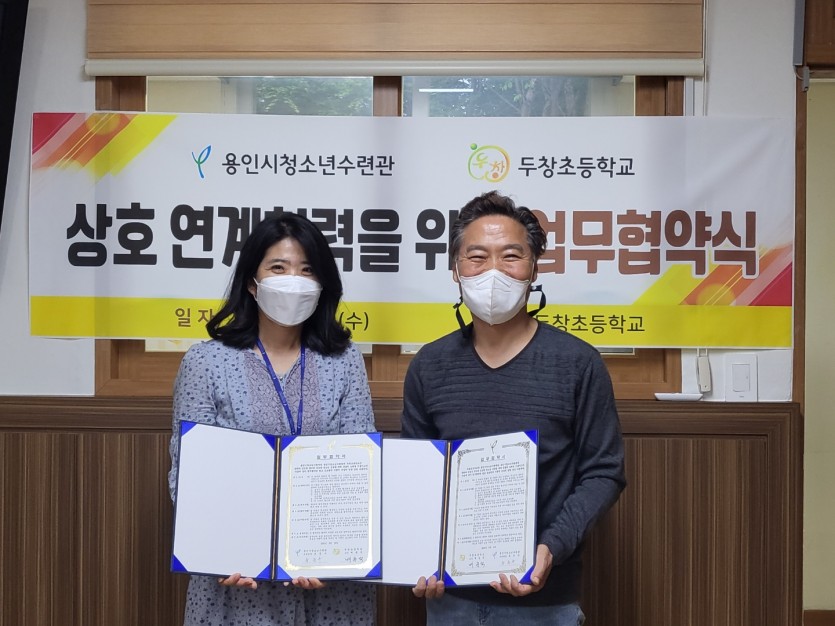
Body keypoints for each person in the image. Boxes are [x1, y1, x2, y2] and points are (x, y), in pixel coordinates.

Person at [401, 191, 626, 625]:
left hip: (546, 600)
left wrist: (552, 548)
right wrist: (415, 555)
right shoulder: (429, 365)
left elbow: (604, 472)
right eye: (476, 257)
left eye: (510, 256)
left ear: (534, 268)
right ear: (455, 270)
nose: (493, 271)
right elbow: (415, 475)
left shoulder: (578, 363)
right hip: (449, 599)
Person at [168, 212, 376, 626]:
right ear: (252, 281)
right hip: (236, 582)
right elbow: (188, 475)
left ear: (322, 284)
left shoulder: (344, 360)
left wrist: (334, 556)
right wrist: (215, 550)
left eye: (307, 270)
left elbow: (360, 468)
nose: (293, 280)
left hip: (329, 584)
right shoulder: (206, 361)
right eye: (278, 268)